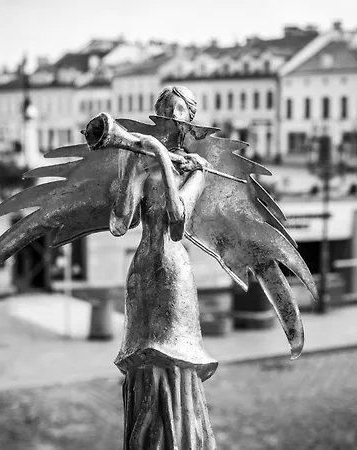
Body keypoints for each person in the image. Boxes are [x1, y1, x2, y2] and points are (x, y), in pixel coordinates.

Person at [110, 86, 217, 449]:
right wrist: (133, 165)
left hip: (173, 269)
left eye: (178, 111)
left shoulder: (195, 170)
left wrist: (162, 159)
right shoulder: (144, 162)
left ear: (188, 121)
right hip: (142, 270)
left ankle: (177, 435)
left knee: (172, 357)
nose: (171, 118)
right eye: (165, 111)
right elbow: (120, 223)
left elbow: (177, 221)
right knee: (142, 358)